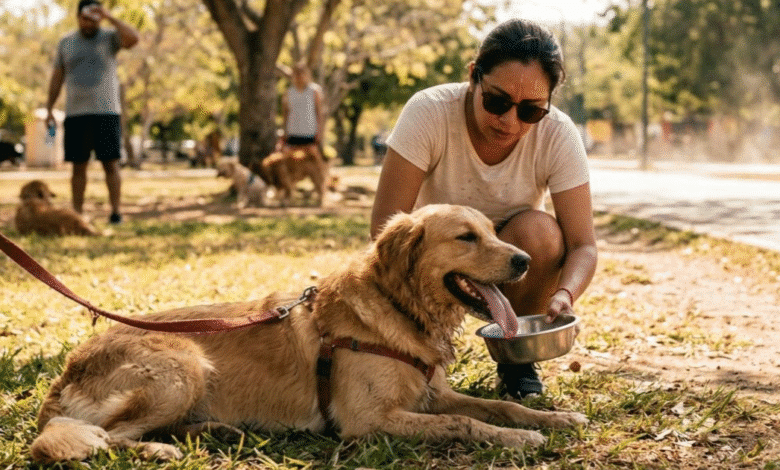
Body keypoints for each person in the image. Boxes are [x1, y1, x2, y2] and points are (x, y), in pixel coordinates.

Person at [370, 19, 597, 399]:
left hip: (511, 264)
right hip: (438, 263)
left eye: (531, 111)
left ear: (548, 104)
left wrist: (565, 295)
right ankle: (419, 346)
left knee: (540, 233)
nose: (509, 122)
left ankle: (516, 361)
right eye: (497, 101)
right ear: (474, 75)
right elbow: (385, 229)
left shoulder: (559, 134)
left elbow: (583, 244)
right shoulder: (429, 112)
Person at [45, 0, 139, 224]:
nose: (90, 23)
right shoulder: (66, 43)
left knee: (111, 164)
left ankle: (116, 212)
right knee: (78, 166)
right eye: (86, 18)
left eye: (94, 18)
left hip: (106, 112)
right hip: (76, 113)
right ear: (78, 17)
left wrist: (110, 17)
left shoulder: (110, 37)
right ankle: (77, 214)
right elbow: (57, 77)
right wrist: (49, 107)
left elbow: (133, 39)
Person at [280, 61, 326, 166]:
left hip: (310, 132)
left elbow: (319, 112)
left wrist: (320, 131)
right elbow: (285, 113)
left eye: (302, 73)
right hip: (293, 132)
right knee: (291, 164)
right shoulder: (288, 92)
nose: (299, 76)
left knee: (315, 165)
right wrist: (284, 131)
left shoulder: (314, 91)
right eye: (296, 73)